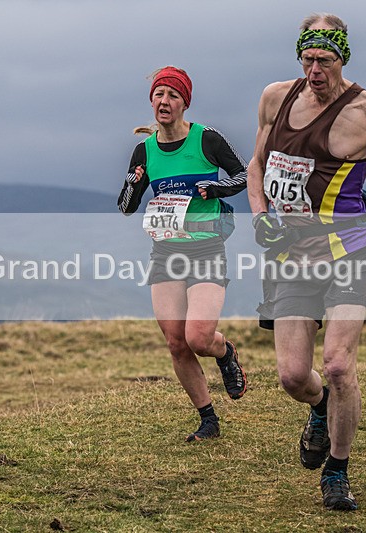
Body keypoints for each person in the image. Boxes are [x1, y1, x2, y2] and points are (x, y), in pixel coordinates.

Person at [247, 14, 366, 510]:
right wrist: (260, 214)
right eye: (307, 60)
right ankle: (321, 409)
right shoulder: (275, 98)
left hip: (348, 252)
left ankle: (337, 471)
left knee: (337, 365)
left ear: (342, 57)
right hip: (290, 255)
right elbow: (257, 165)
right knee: (292, 376)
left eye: (324, 61)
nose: (314, 71)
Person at [118, 66, 249, 442]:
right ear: (152, 101)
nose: (165, 101)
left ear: (183, 103)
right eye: (159, 94)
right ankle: (208, 418)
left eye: (173, 96)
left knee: (198, 337)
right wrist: (133, 182)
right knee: (175, 341)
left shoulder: (206, 139)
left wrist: (216, 188)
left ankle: (223, 352)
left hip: (207, 247)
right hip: (166, 251)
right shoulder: (144, 150)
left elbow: (243, 175)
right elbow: (127, 207)